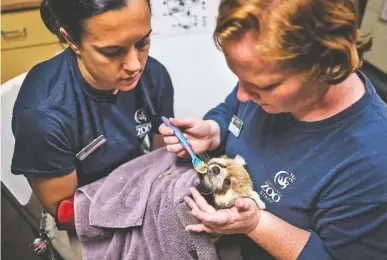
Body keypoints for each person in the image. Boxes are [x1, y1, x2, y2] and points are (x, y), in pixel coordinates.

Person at [159, 0, 387, 259]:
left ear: (324, 64)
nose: (244, 94)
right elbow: (232, 110)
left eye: (263, 86)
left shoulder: (373, 159)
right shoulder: (263, 86)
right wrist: (215, 130)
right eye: (239, 78)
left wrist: (257, 224)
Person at [11, 0, 174, 258]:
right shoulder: (43, 116)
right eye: (112, 51)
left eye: (142, 43)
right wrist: (147, 205)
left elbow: (161, 158)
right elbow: (68, 216)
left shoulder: (154, 76)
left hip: (136, 189)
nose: (135, 65)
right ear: (70, 39)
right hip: (82, 215)